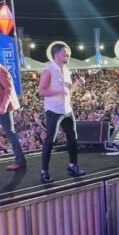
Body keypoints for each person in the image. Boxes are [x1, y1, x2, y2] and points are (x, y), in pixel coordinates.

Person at [38, 43, 86, 183]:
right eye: (65, 53)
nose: (68, 56)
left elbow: (70, 90)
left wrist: (78, 84)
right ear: (56, 54)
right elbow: (42, 91)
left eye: (68, 54)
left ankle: (72, 166)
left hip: (67, 109)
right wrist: (57, 91)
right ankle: (44, 172)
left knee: (73, 137)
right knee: (50, 140)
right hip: (54, 110)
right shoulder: (48, 70)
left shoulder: (66, 70)